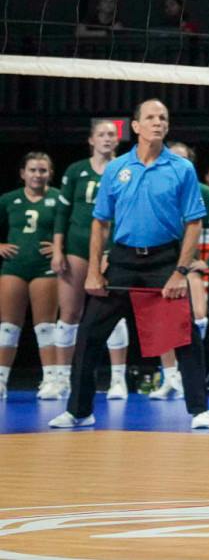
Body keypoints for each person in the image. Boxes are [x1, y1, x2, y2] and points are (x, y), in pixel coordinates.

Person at [50, 98, 209, 431]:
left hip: (164, 261)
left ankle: (199, 411)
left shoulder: (181, 169)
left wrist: (180, 272)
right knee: (89, 335)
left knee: (184, 337)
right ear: (136, 127)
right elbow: (100, 223)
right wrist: (95, 271)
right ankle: (80, 411)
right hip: (122, 259)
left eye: (163, 118)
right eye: (150, 117)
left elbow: (194, 223)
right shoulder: (116, 168)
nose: (158, 122)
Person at [44, 119, 128, 402]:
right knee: (68, 314)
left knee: (113, 312)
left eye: (111, 134)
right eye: (101, 134)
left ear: (117, 140)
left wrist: (110, 252)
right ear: (91, 140)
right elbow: (61, 214)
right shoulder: (76, 171)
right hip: (77, 247)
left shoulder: (125, 169)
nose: (107, 138)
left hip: (113, 248)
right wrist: (58, 250)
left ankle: (118, 380)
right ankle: (60, 378)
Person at [149, 140, 209, 403]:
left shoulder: (201, 190)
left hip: (186, 265)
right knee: (162, 321)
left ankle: (189, 376)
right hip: (159, 263)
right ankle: (169, 377)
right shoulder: (153, 188)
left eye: (182, 158)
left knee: (196, 319)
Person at [0, 152, 61, 398]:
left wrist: (60, 249)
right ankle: (1, 380)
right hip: (14, 266)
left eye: (43, 170)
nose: (38, 175)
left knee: (45, 326)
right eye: (33, 170)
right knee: (7, 327)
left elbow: (72, 227)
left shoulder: (58, 199)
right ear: (23, 173)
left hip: (44, 268)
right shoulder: (8, 199)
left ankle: (51, 381)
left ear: (50, 174)